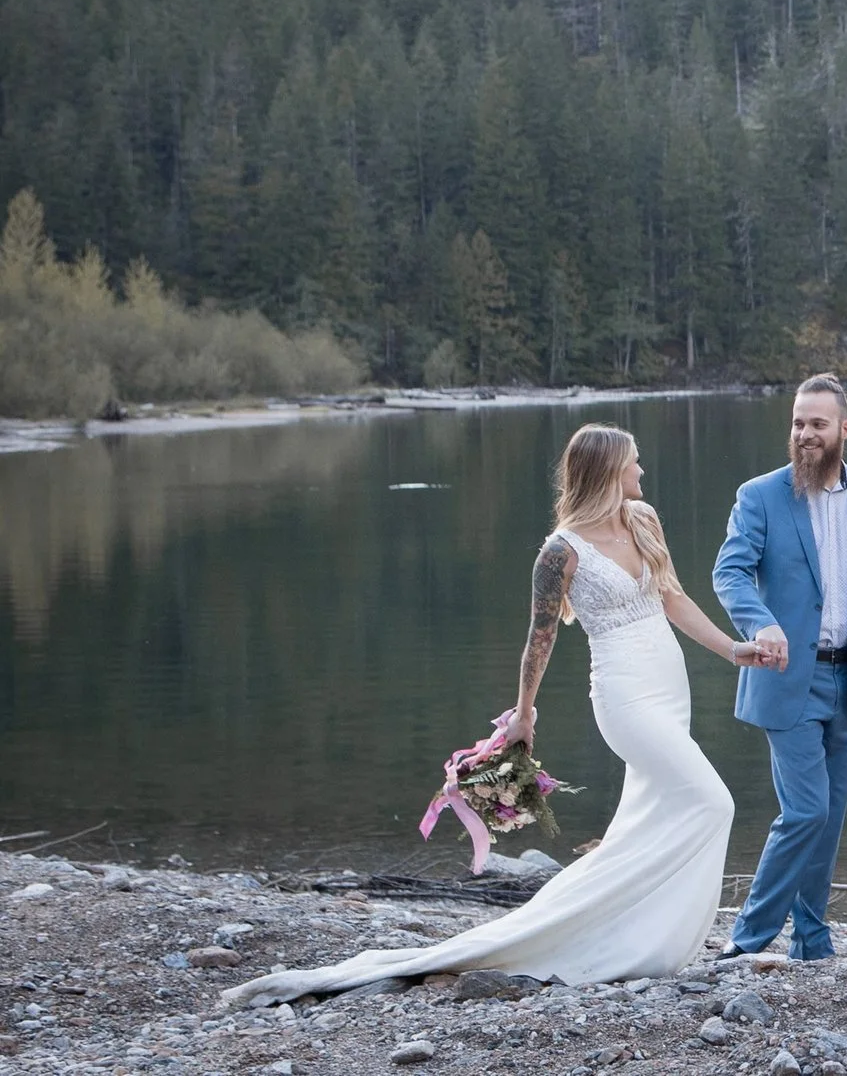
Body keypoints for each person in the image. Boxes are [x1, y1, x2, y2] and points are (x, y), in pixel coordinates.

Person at [224, 425, 765, 1005]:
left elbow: (673, 598)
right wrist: (524, 716)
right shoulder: (561, 550)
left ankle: (628, 929)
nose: (642, 471)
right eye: (634, 463)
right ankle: (648, 939)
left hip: (669, 686)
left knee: (648, 821)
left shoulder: (643, 519)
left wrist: (734, 650)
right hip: (626, 698)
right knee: (713, 802)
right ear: (607, 472)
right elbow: (539, 641)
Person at [713, 373, 847, 960]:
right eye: (798, 423)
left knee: (829, 819)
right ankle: (747, 940)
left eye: (818, 424)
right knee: (806, 810)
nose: (805, 434)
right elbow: (729, 573)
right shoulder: (761, 495)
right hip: (786, 677)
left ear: (844, 430)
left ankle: (813, 938)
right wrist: (760, 622)